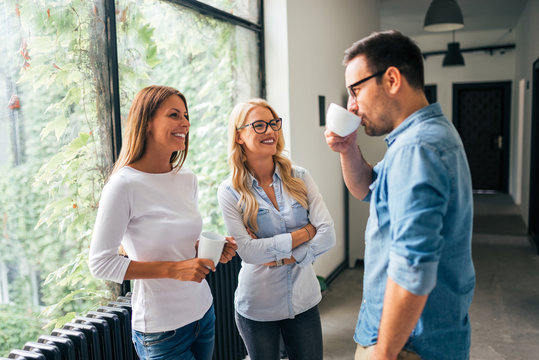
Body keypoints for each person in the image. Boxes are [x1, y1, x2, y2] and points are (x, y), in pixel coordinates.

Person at [324, 30, 475, 360]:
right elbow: (367, 189)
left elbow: (413, 265)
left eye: (356, 89)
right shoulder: (421, 137)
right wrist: (348, 150)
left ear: (391, 79)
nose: (351, 104)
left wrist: (384, 353)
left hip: (408, 345)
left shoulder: (417, 149)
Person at [89, 85, 237, 360]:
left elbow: (177, 242)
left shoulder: (186, 178)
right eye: (174, 115)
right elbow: (101, 263)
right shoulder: (124, 185)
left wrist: (207, 250)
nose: (185, 123)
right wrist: (174, 269)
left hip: (203, 312)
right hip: (161, 331)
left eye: (185, 115)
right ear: (146, 123)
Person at [217, 99, 336, 360]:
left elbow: (328, 233)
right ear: (238, 136)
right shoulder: (229, 191)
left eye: (273, 124)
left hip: (303, 300)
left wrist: (285, 256)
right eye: (259, 125)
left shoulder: (300, 177)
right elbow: (248, 253)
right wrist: (304, 233)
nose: (270, 131)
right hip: (258, 306)